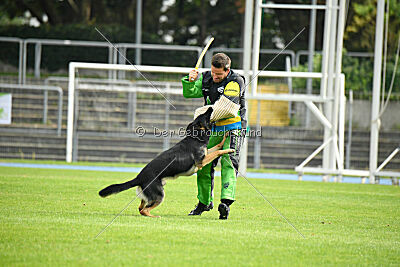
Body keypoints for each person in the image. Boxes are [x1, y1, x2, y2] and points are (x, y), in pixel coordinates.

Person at [181, 53, 246, 220]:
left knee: (228, 163)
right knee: (202, 165)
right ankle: (204, 202)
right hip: (212, 130)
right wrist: (190, 81)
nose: (215, 77)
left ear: (227, 70)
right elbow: (190, 94)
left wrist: (200, 113)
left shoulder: (236, 81)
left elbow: (226, 108)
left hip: (233, 128)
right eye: (213, 73)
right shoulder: (206, 77)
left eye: (219, 74)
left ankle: (226, 202)